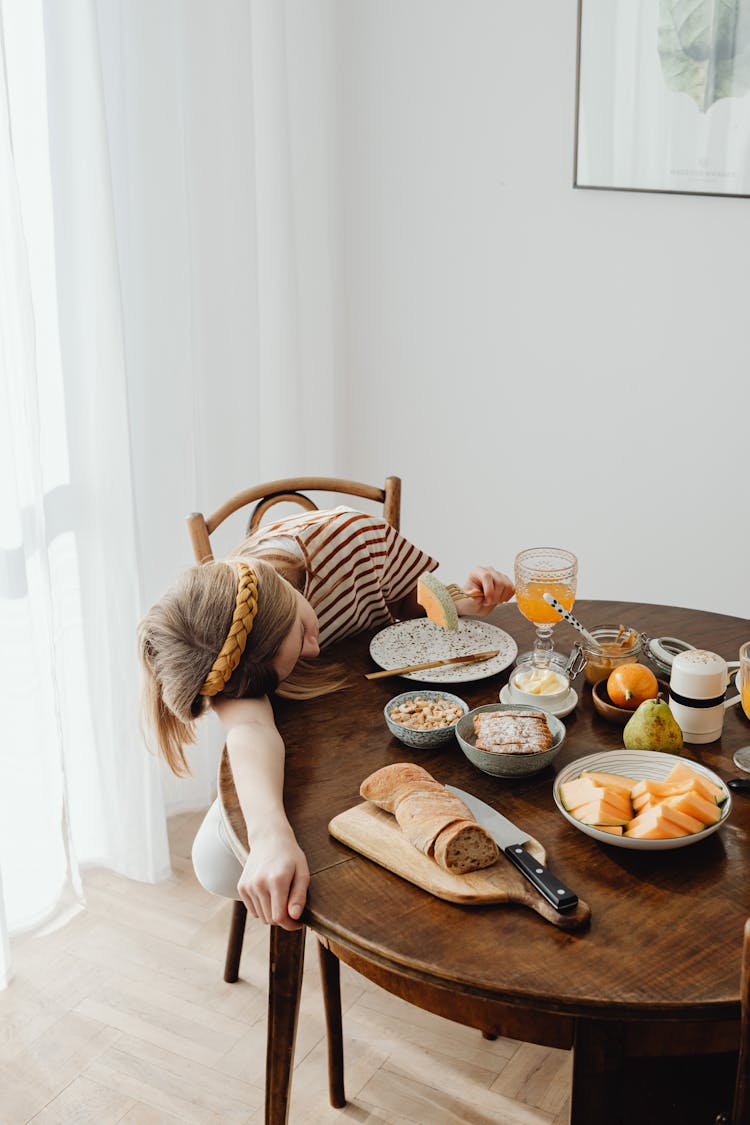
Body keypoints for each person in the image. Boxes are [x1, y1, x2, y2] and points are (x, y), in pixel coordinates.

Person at [138, 505, 514, 932]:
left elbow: (411, 599)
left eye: (302, 632)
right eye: (299, 650)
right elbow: (250, 727)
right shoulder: (227, 652)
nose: (314, 651)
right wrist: (269, 840)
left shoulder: (353, 537)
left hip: (386, 721)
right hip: (315, 746)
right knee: (215, 864)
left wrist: (459, 599)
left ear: (280, 591)